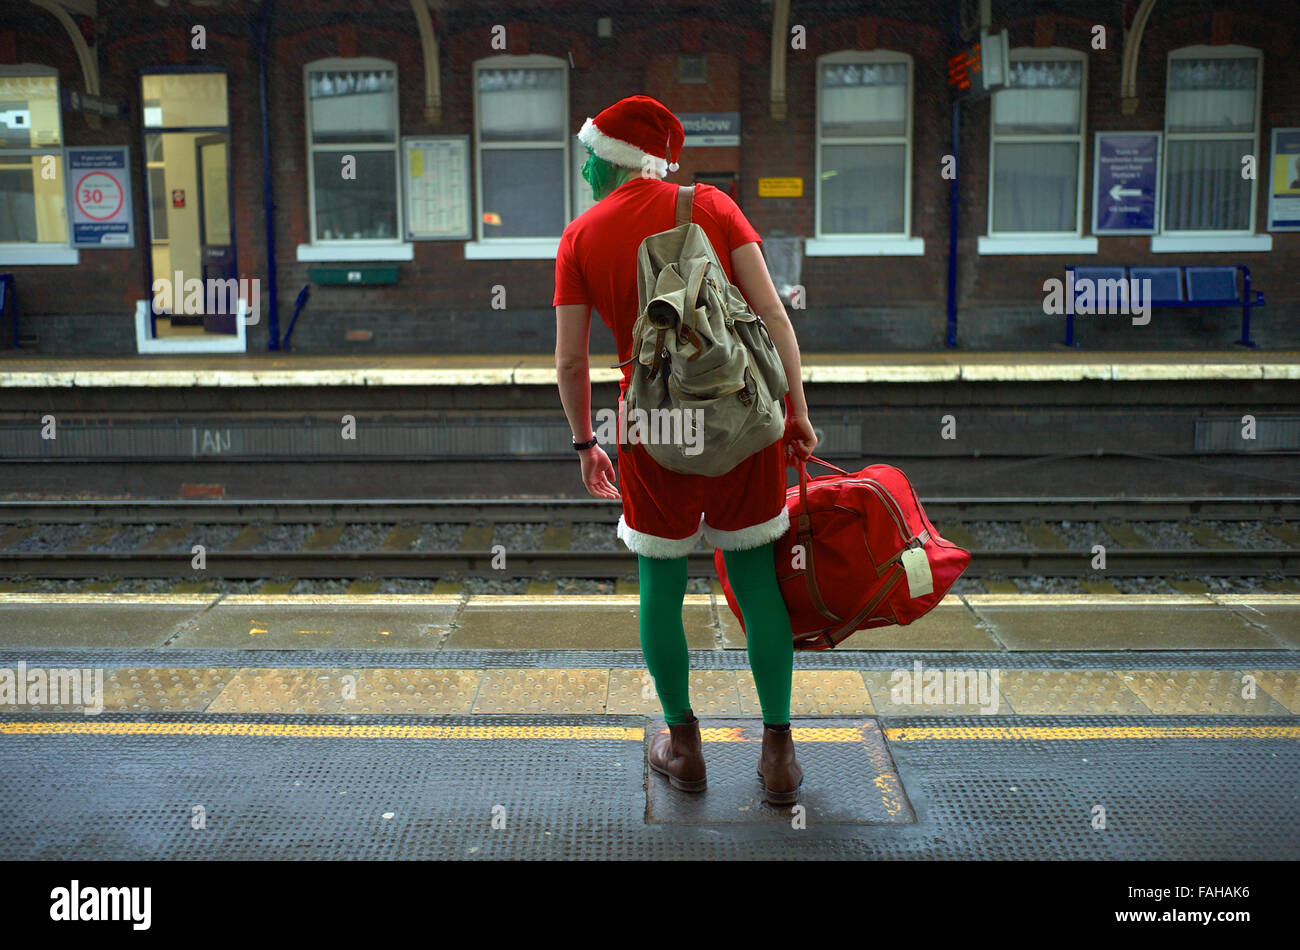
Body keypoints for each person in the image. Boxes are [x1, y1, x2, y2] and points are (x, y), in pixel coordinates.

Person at [552, 95, 817, 804]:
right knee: (756, 583)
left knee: (660, 587)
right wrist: (796, 409)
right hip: (741, 417)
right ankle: (779, 757)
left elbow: (572, 363)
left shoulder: (579, 238)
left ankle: (685, 746)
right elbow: (771, 316)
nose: (582, 166)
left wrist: (585, 444)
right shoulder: (716, 207)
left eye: (589, 155)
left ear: (608, 157)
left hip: (649, 427)